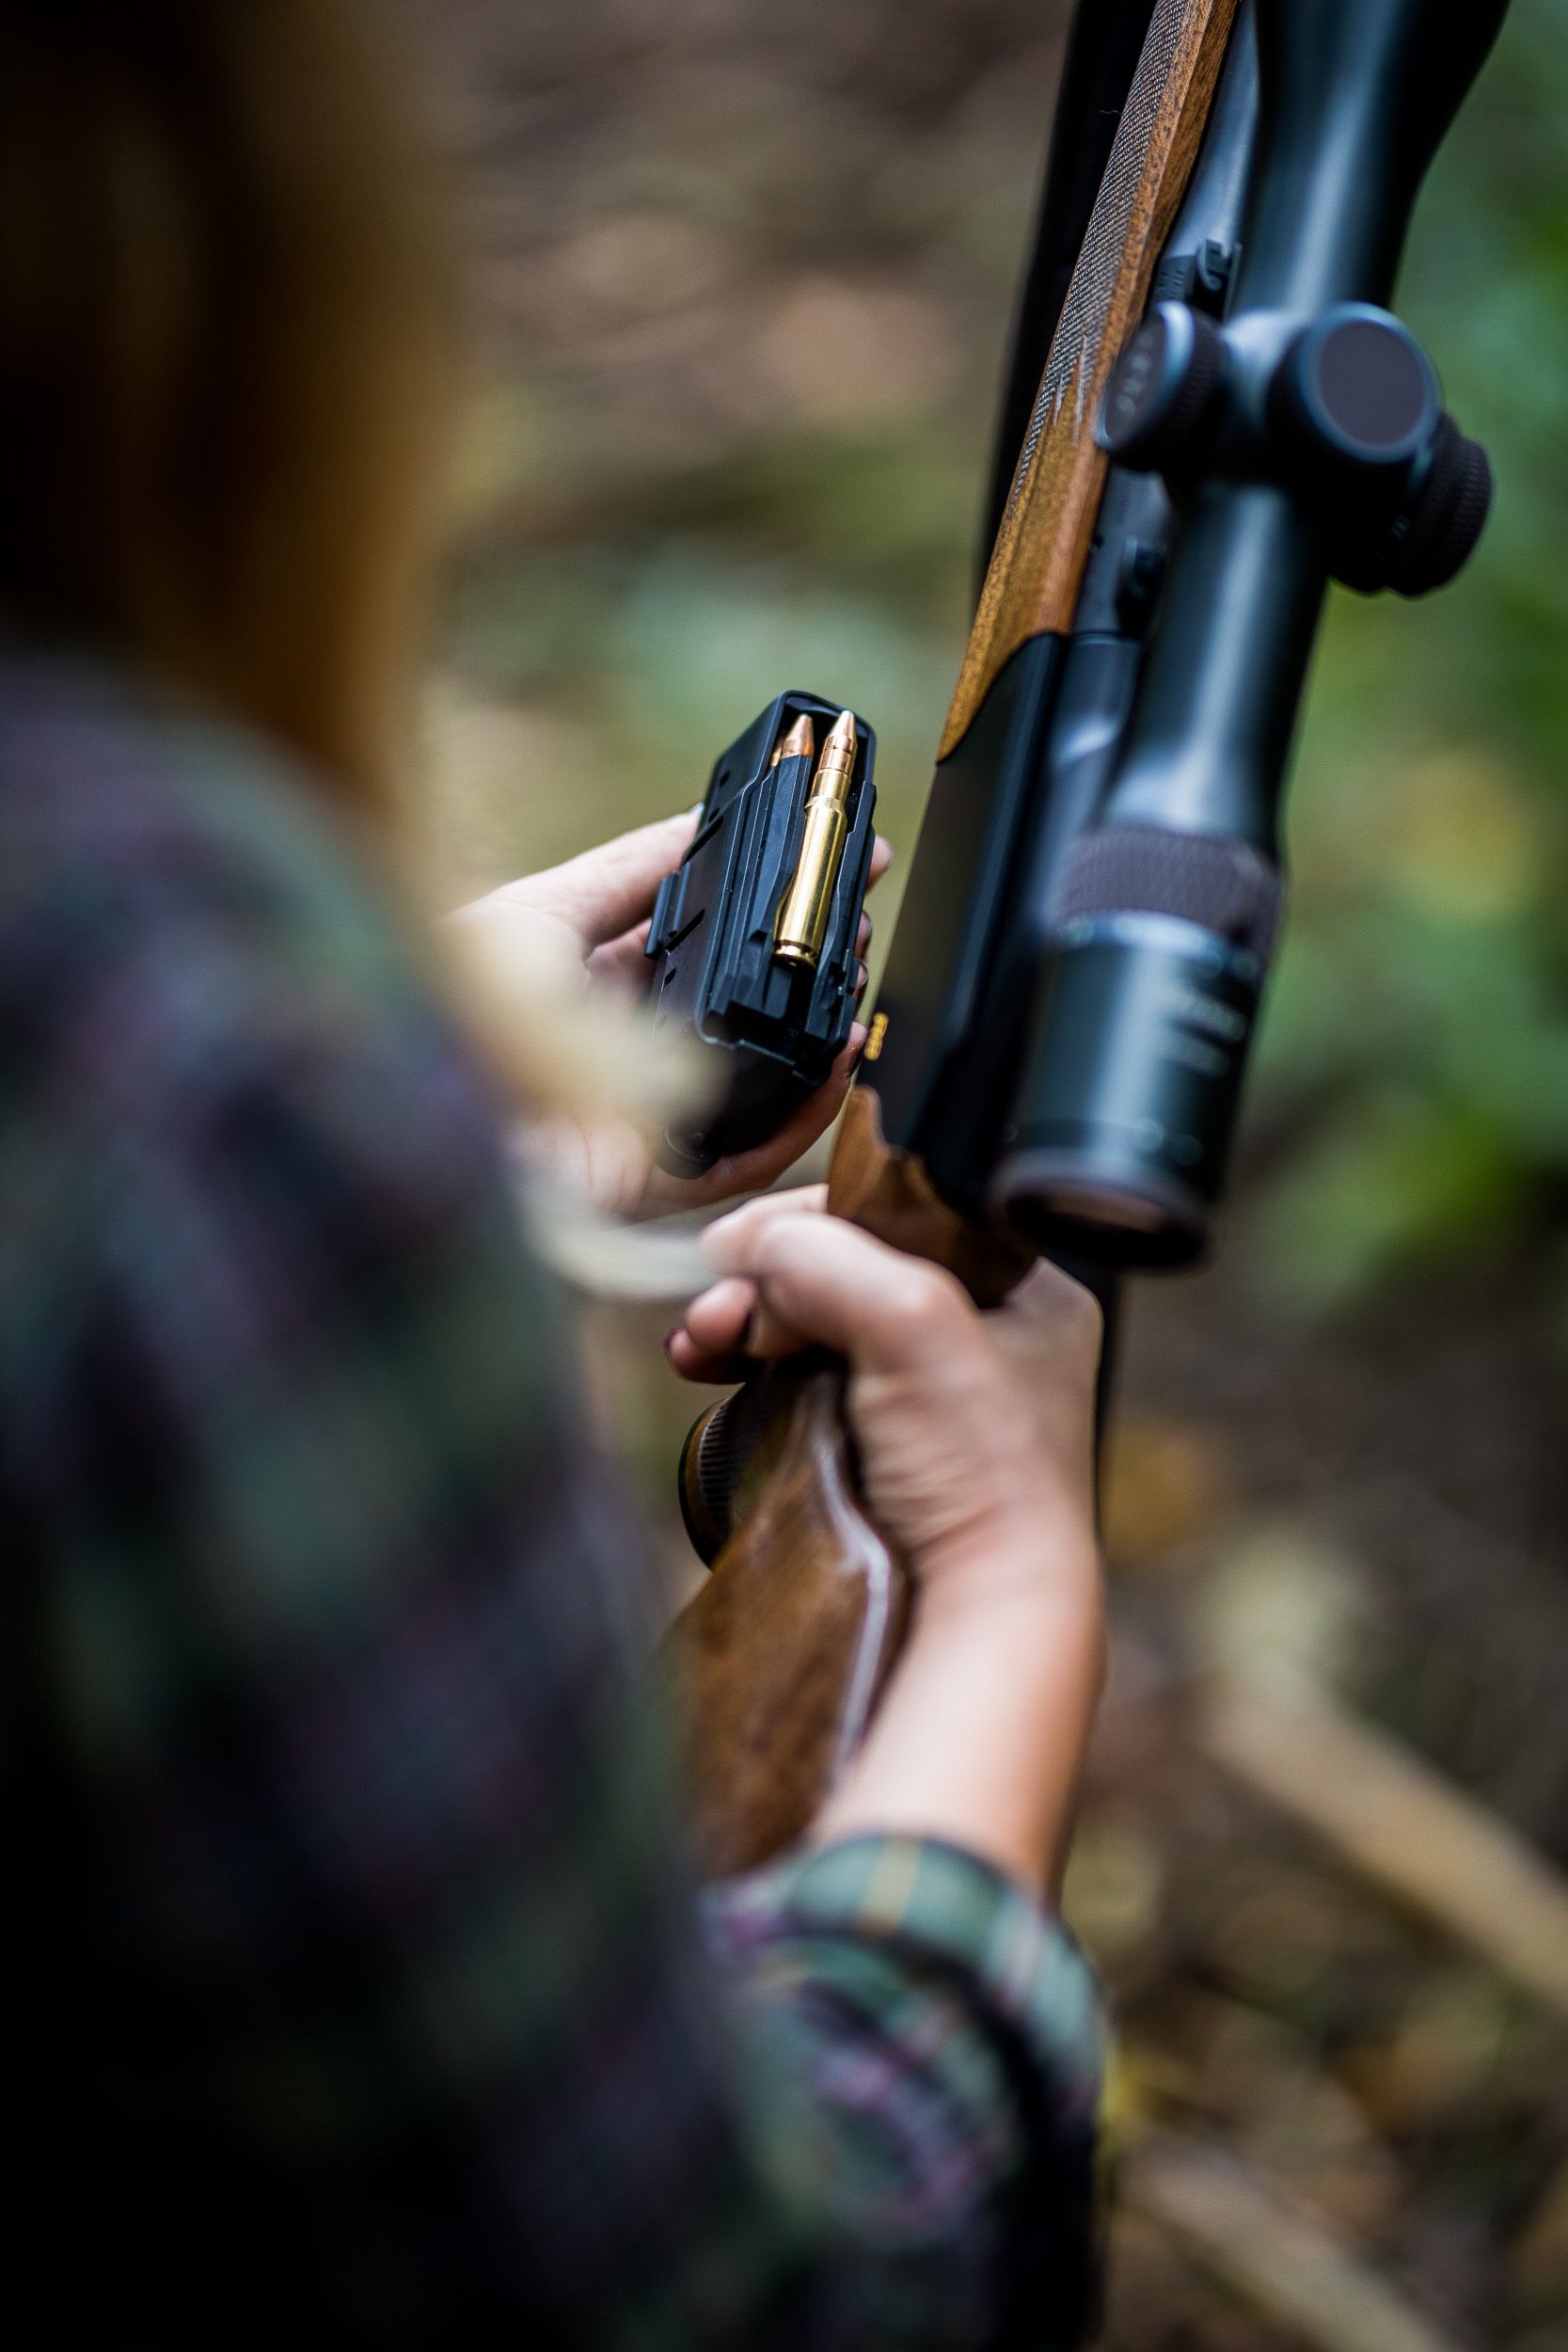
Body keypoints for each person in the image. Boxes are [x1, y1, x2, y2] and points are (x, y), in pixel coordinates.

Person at [1, 4, 1108, 2344]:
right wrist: (1006, 1604)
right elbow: (738, 2304)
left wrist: (396, 1087)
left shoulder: (180, 1061)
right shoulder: (183, 1075)